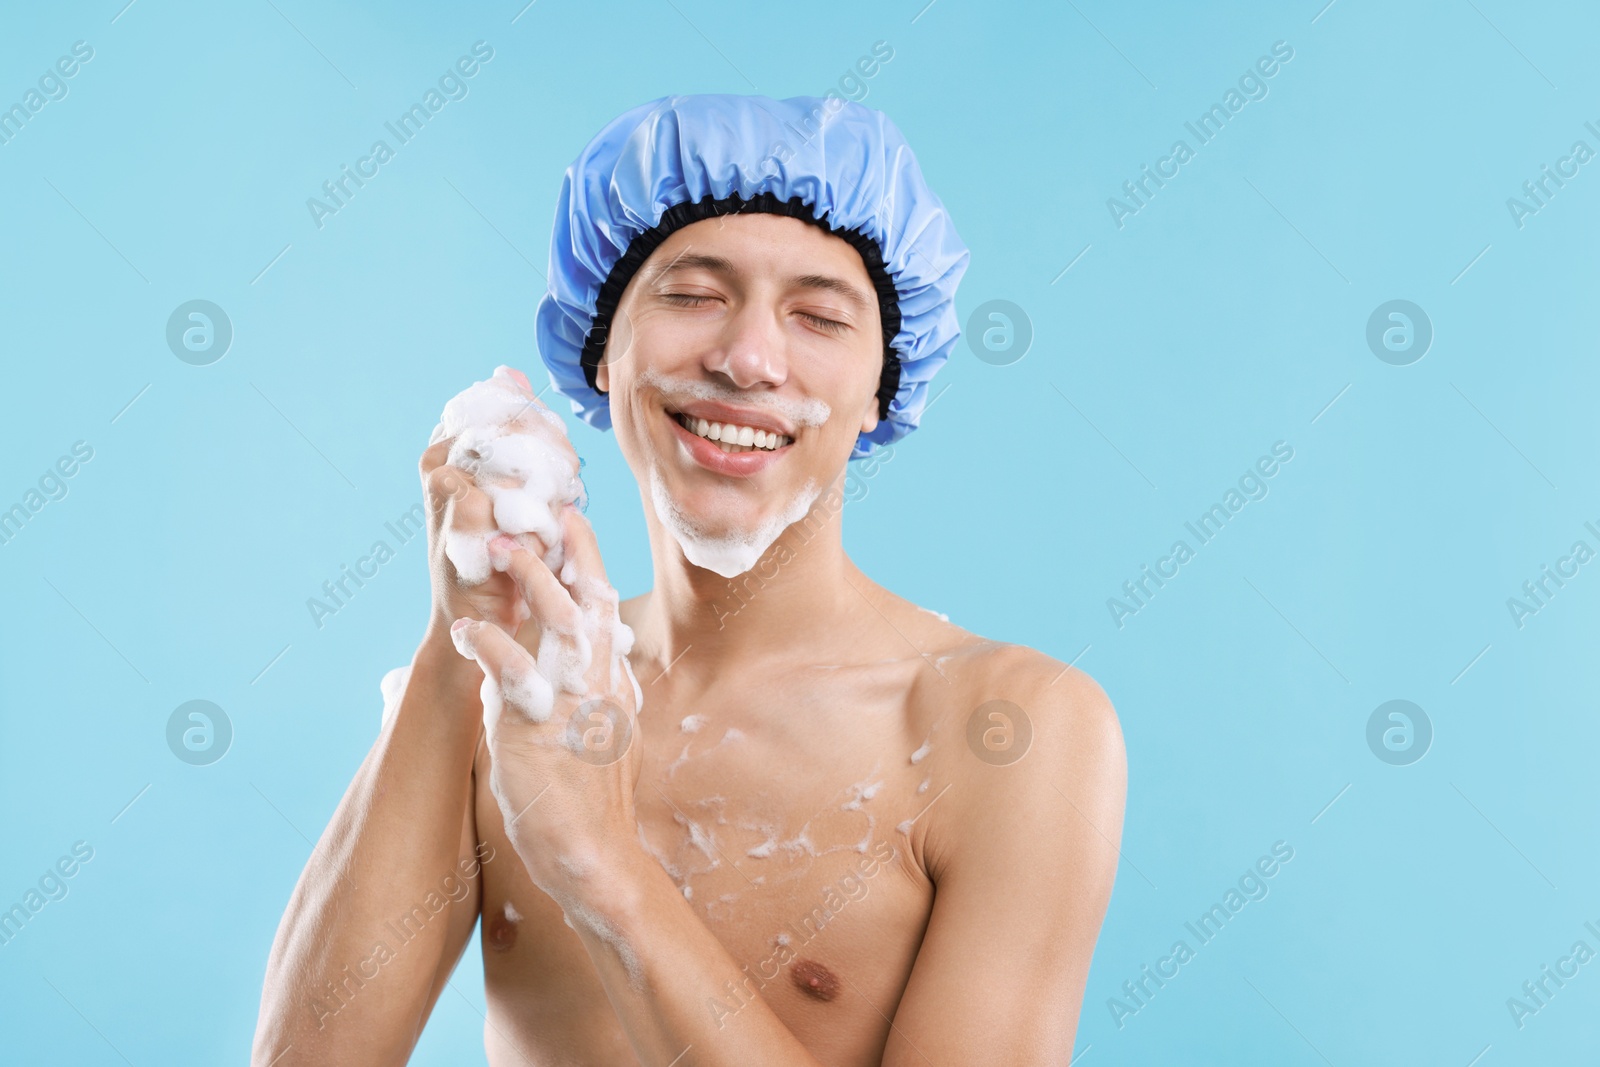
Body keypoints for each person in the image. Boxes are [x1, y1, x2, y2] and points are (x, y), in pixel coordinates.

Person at [252, 93, 1126, 1067]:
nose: (748, 357)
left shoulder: (1005, 728)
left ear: (883, 380)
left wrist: (603, 866)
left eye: (820, 314)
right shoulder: (519, 695)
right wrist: (462, 637)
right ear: (600, 348)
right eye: (692, 294)